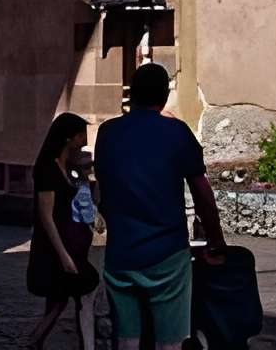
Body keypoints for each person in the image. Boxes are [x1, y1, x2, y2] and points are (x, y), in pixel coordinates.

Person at [93, 62, 227, 350]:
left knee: (126, 340)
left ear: (132, 95)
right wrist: (216, 240)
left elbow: (101, 189)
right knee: (171, 341)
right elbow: (202, 192)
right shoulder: (177, 132)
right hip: (167, 252)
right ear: (164, 97)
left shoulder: (107, 133)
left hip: (122, 252)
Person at [26, 113, 98, 349]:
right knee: (76, 287)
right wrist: (63, 255)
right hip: (54, 245)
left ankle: (37, 341)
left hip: (70, 241)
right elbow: (46, 216)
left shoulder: (68, 166)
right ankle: (35, 340)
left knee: (58, 297)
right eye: (80, 135)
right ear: (69, 137)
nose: (83, 140)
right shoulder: (48, 168)